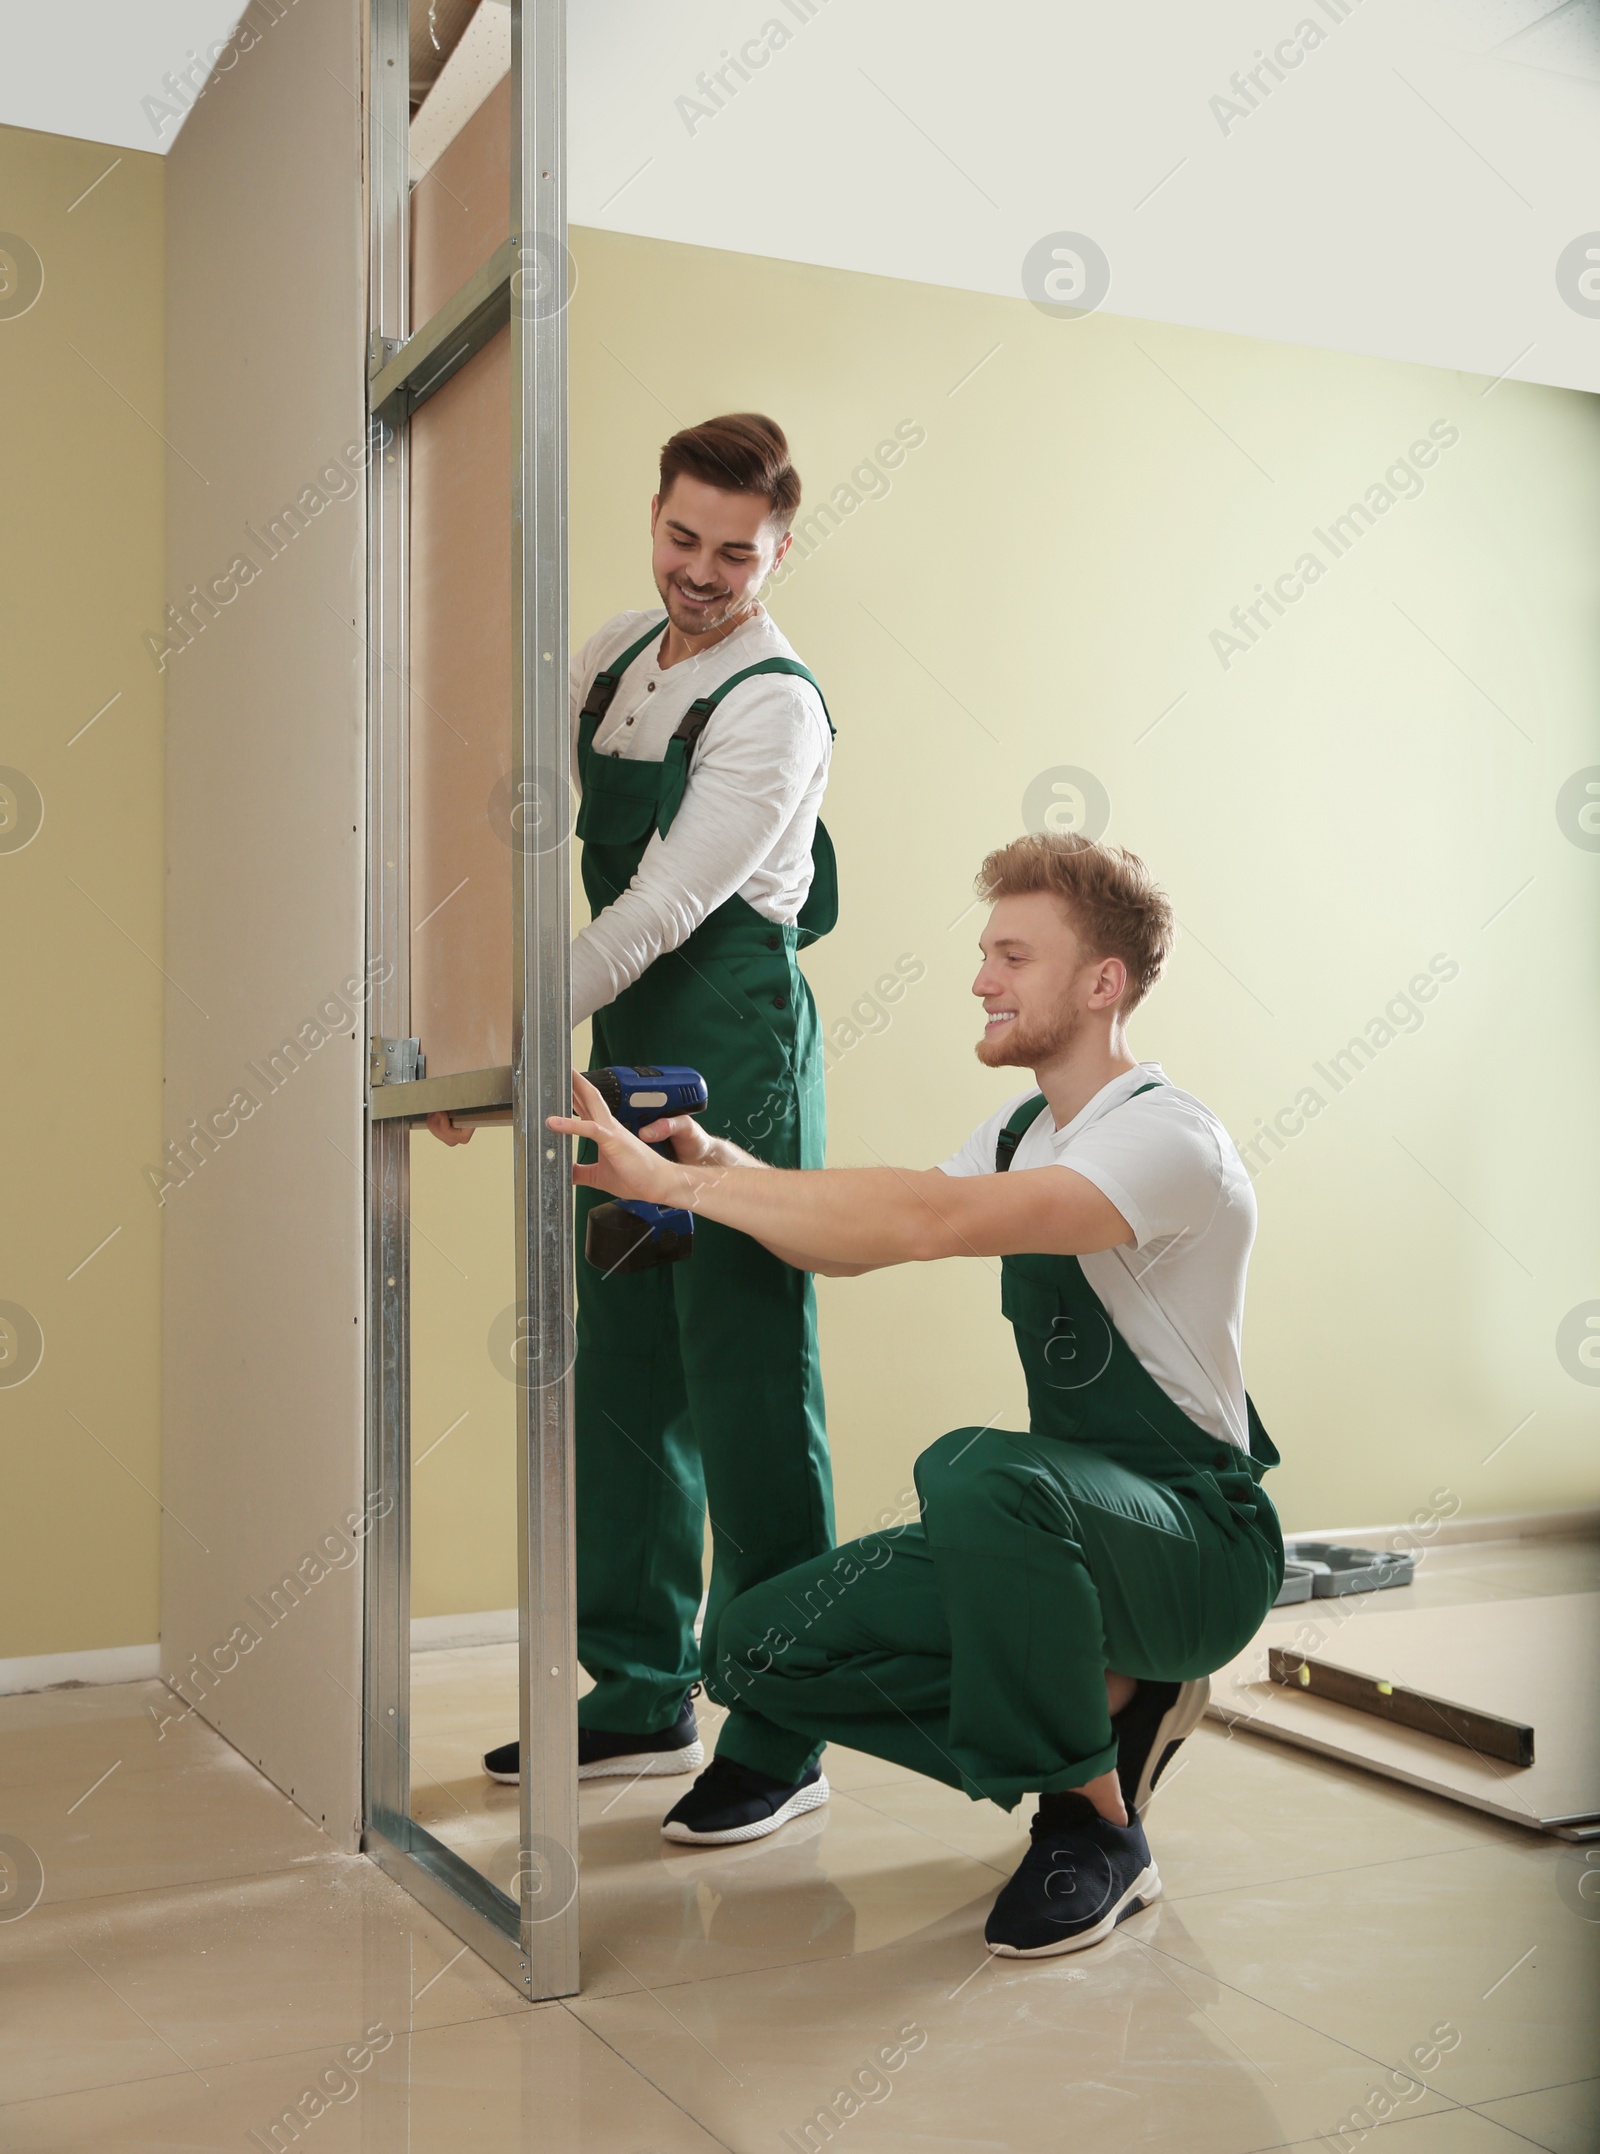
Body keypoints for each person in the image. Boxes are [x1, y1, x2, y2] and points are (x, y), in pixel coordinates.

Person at [548, 831, 1284, 1944]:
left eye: (1013, 957)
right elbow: (844, 1244)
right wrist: (707, 1164)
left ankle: (1090, 1825)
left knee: (972, 1471)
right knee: (751, 1650)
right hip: (1057, 1536)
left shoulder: (1165, 1141)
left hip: (1191, 1544)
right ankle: (1107, 1707)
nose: (982, 979)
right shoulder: (1025, 1129)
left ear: (1102, 984)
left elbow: (930, 1223)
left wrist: (671, 1185)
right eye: (986, 952)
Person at [432, 413, 839, 1844]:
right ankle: (643, 1687)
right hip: (624, 1056)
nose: (703, 572)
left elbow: (661, 908)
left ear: (778, 548)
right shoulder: (613, 656)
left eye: (737, 550)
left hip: (733, 1060)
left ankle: (785, 1725)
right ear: (654, 520)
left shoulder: (773, 704)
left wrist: (507, 1044)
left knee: (744, 1381)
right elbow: (496, 807)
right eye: (683, 537)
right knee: (625, 1377)